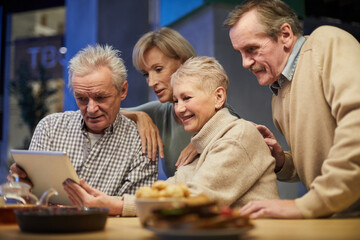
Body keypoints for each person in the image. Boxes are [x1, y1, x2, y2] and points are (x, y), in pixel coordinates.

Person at [63, 56, 279, 216]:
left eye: (187, 98)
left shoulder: (237, 135)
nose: (179, 109)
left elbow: (196, 201)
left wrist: (116, 206)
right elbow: (173, 188)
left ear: (219, 97)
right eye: (176, 101)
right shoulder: (207, 142)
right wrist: (110, 201)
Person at [224, 0, 360, 218]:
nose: (245, 63)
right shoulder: (278, 97)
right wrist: (282, 161)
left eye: (252, 49)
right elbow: (320, 159)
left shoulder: (326, 42)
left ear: (285, 35)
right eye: (240, 52)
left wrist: (307, 204)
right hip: (336, 216)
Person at [8, 45, 158, 212]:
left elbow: (134, 209)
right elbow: (29, 201)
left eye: (100, 97)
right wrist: (22, 188)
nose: (91, 108)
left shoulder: (141, 142)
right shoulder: (50, 127)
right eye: (81, 99)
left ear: (122, 91)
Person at [121, 27, 240, 178]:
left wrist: (203, 139)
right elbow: (100, 112)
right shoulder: (159, 111)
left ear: (183, 63)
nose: (151, 82)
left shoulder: (220, 113)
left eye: (158, 69)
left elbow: (244, 133)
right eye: (146, 74)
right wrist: (138, 116)